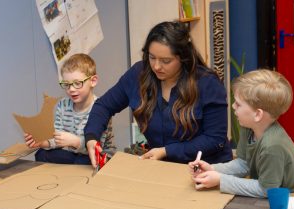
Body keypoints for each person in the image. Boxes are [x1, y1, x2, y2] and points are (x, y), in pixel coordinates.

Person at [84, 21, 232, 168]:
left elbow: (214, 139)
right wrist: (91, 137)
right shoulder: (138, 74)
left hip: (207, 168)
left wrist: (167, 151)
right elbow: (104, 106)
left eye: (166, 61)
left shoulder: (207, 83)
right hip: (163, 168)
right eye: (152, 57)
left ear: (183, 58)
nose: (156, 66)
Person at [189, 69, 294, 197]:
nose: (232, 106)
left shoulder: (272, 146)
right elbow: (244, 164)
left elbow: (266, 189)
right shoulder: (248, 126)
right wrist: (212, 169)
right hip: (283, 185)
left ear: (257, 114)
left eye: (238, 104)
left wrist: (221, 180)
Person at [25, 53, 115, 164]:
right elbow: (57, 138)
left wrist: (76, 142)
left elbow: (97, 148)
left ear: (93, 81)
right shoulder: (63, 105)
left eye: (77, 83)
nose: (71, 89)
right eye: (67, 84)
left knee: (84, 161)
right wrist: (42, 142)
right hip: (72, 153)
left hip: (96, 154)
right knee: (41, 153)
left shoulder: (101, 109)